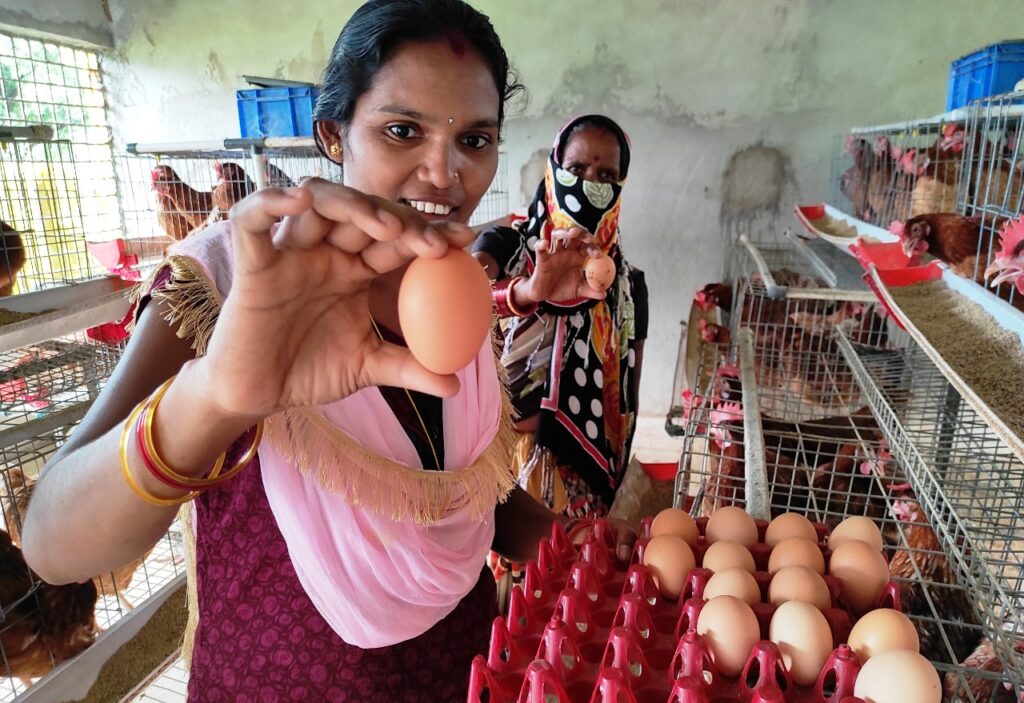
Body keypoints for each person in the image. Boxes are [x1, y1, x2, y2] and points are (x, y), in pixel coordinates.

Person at [21, 2, 631, 700]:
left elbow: (459, 499)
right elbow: (52, 543)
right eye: (403, 130)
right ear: (332, 134)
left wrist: (585, 549)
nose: (445, 171)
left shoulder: (455, 286)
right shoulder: (231, 286)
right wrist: (218, 393)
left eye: (475, 139)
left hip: (458, 673)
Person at [474, 115, 648, 518]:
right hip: (501, 465)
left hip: (585, 478)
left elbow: (627, 398)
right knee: (513, 577)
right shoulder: (505, 247)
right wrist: (528, 291)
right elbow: (458, 305)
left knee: (574, 575)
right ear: (554, 171)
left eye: (606, 174)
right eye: (577, 169)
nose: (591, 184)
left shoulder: (626, 286)